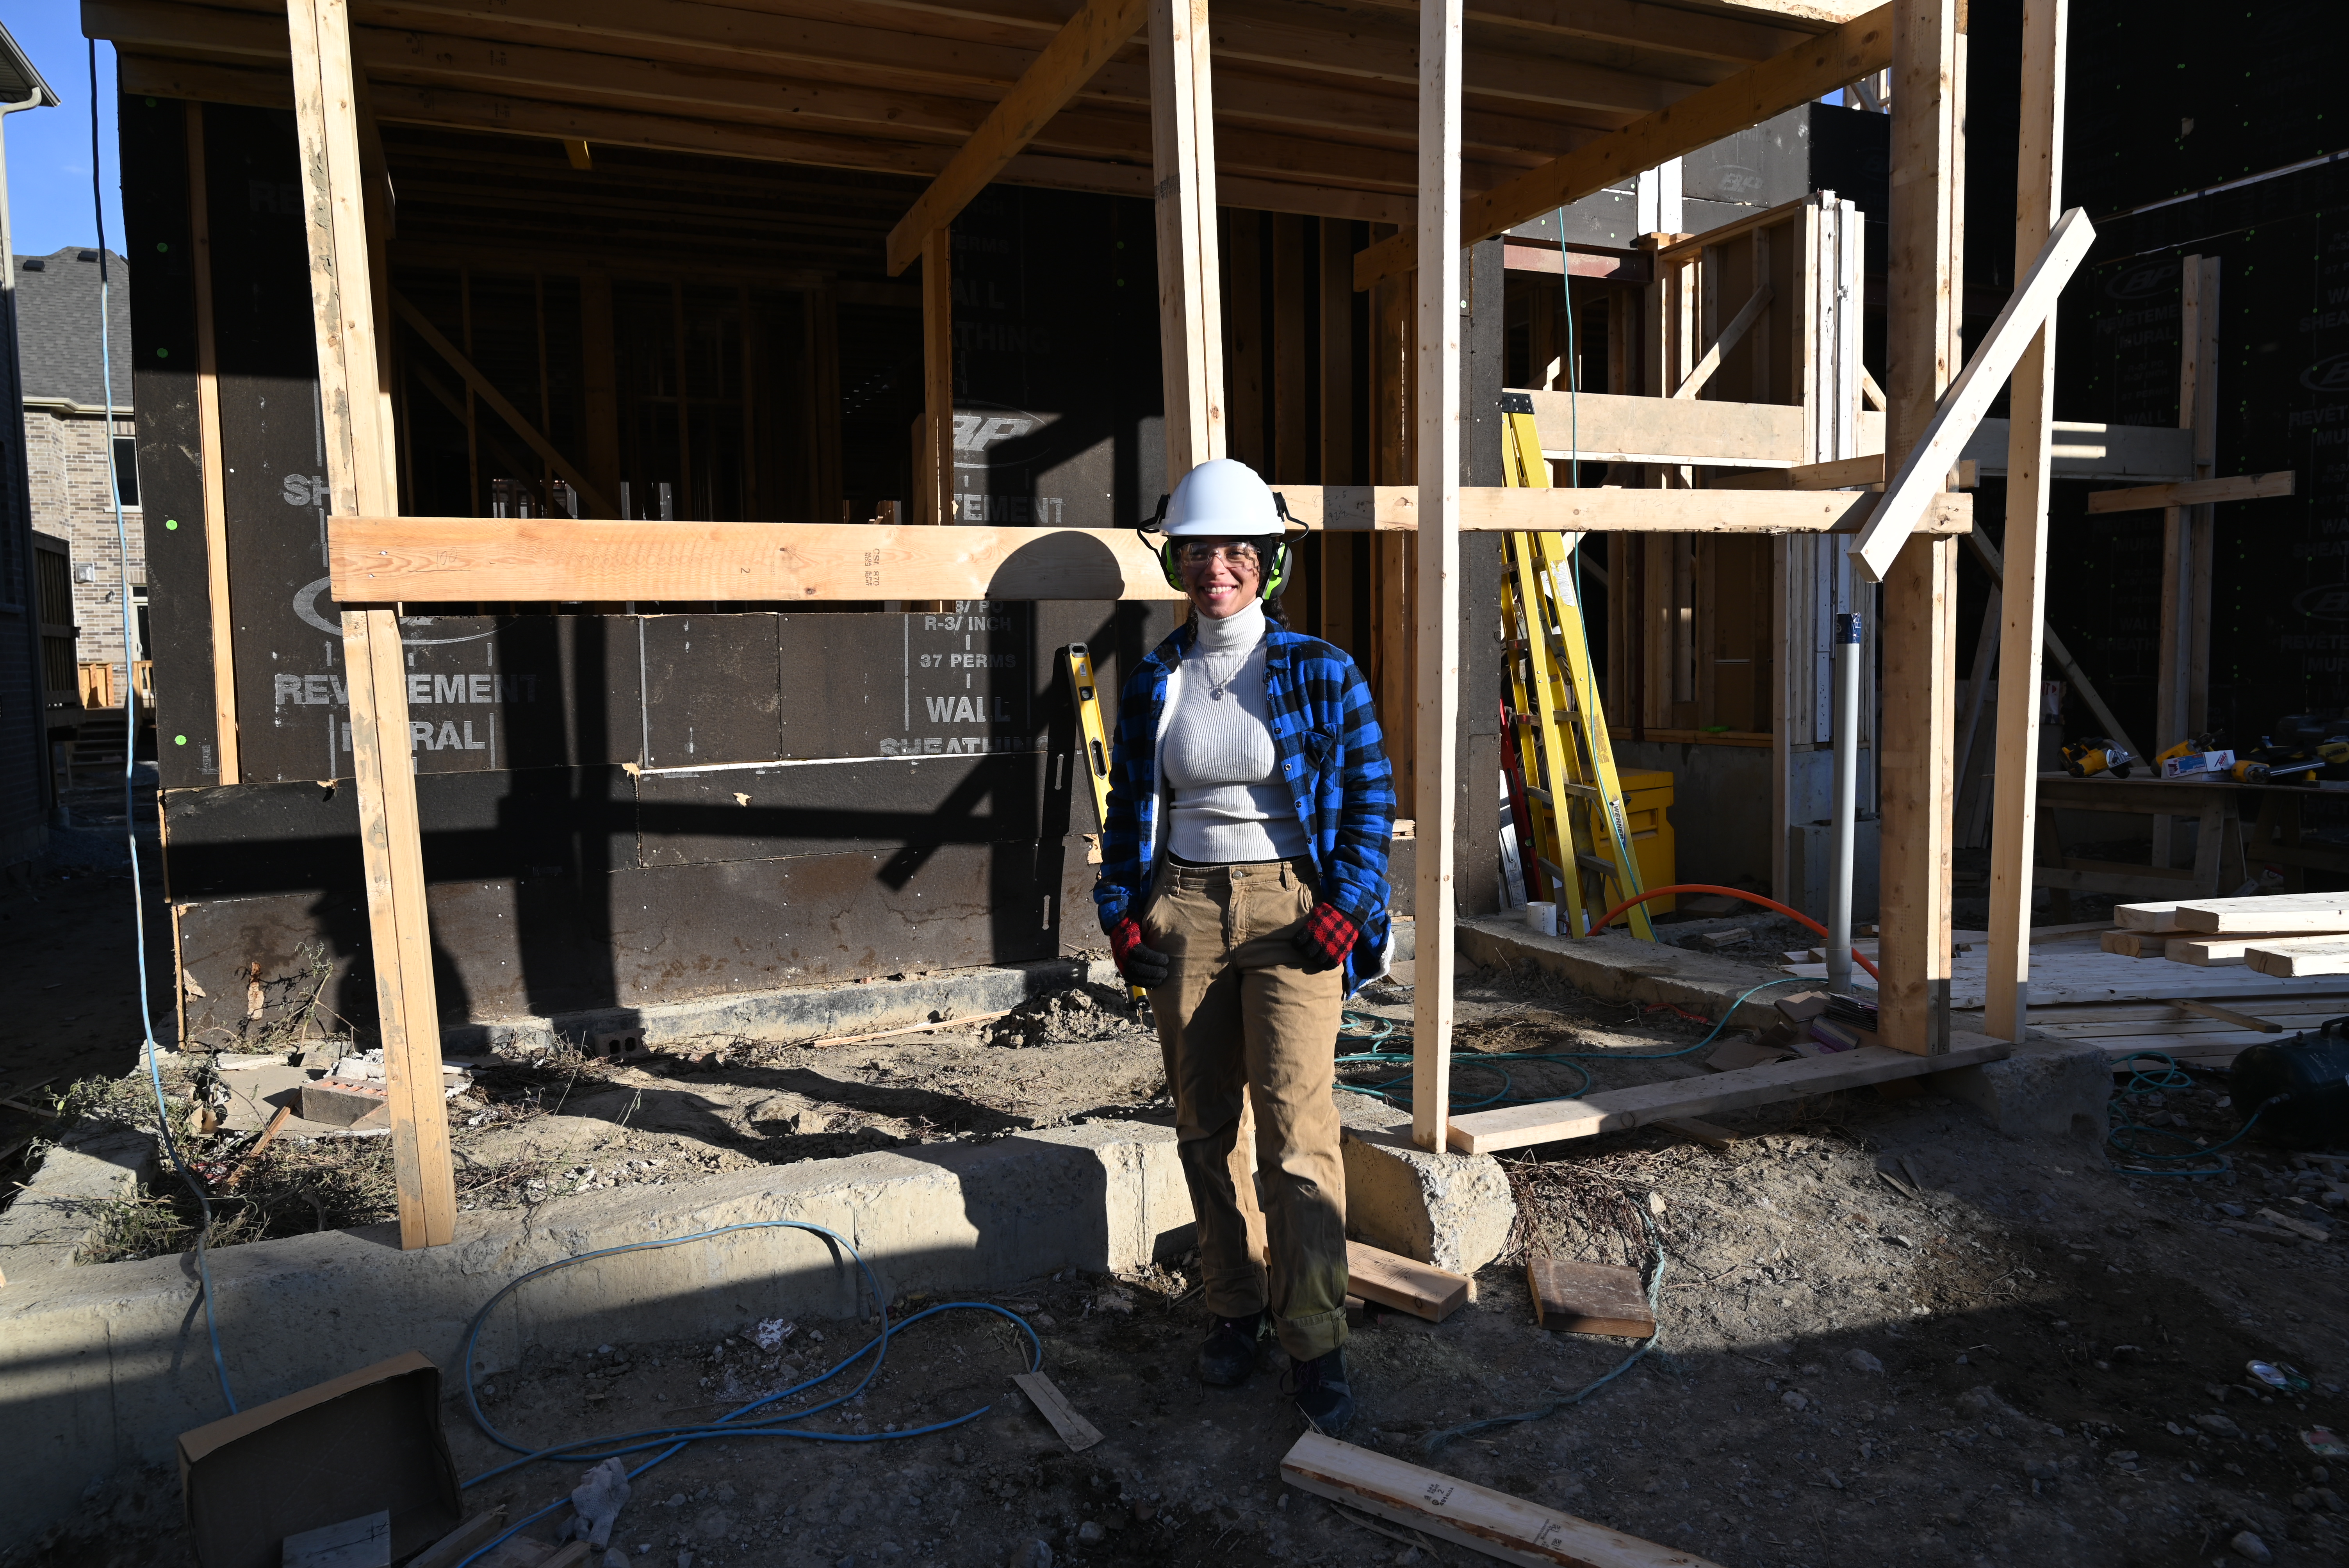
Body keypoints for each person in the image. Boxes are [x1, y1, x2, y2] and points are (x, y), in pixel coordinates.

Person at [1092, 458, 1396, 1434]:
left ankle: (1313, 1337)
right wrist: (1121, 915)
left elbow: (1369, 800)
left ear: (1267, 561)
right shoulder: (1153, 679)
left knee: (1298, 1133)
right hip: (1183, 903)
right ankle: (1232, 1307)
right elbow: (1127, 807)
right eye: (1197, 549)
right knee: (1200, 1124)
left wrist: (1345, 906)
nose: (1215, 565)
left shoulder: (1317, 669)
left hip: (1291, 910)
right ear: (1175, 558)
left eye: (1235, 549)